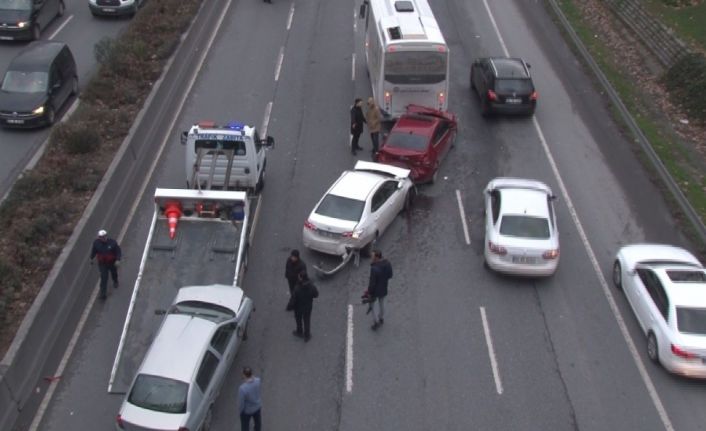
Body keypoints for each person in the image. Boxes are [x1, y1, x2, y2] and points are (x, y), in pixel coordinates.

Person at [90, 229, 122, 300]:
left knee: (114, 273)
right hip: (102, 263)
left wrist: (118, 259)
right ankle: (103, 294)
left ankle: (115, 281)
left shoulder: (112, 243)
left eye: (104, 236)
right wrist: (91, 258)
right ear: (99, 237)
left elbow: (118, 251)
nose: (104, 238)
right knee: (104, 277)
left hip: (112, 262)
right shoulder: (96, 243)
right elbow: (94, 251)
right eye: (102, 237)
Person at [368, 250, 393, 330]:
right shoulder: (387, 263)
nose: (371, 257)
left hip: (375, 291)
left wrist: (369, 292)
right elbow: (390, 275)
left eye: (372, 256)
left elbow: (372, 283)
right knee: (381, 303)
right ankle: (381, 318)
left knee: (371, 306)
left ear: (376, 257)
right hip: (383, 288)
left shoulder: (374, 268)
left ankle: (375, 322)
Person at [291, 271, 319, 341]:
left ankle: (299, 332)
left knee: (298, 320)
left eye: (299, 277)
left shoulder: (297, 288)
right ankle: (307, 336)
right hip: (308, 307)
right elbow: (316, 295)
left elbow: (293, 299)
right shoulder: (312, 287)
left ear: (301, 278)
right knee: (307, 320)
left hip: (298, 308)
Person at [238, 366, 262, 431]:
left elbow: (241, 403)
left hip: (247, 410)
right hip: (257, 406)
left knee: (245, 426)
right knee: (258, 423)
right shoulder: (258, 380)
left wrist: (240, 411)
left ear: (244, 375)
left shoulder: (242, 388)